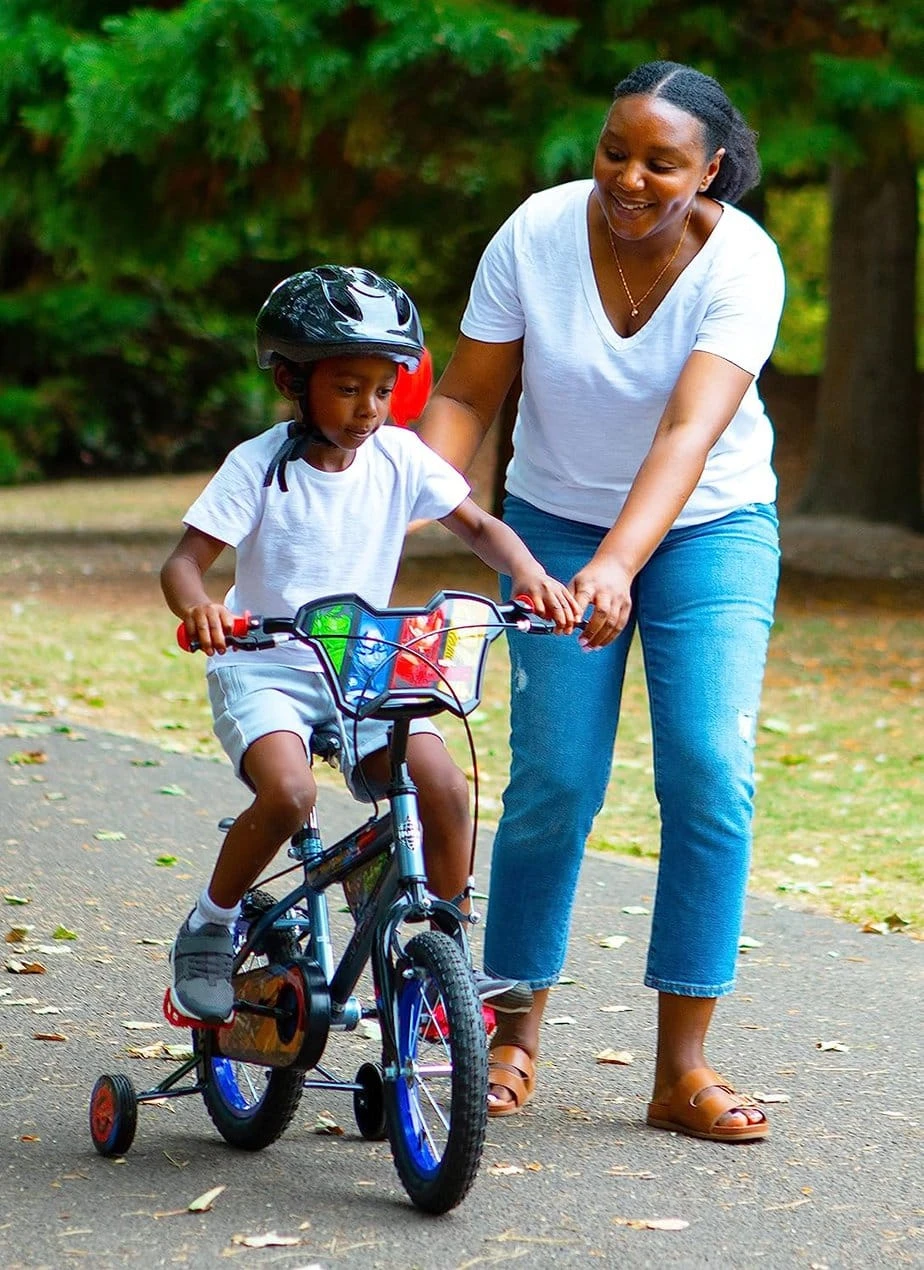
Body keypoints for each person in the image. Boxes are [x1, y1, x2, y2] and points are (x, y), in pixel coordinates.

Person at [415, 62, 785, 1141]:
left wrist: (621, 562)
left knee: (710, 768)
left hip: (709, 528)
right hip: (552, 523)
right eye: (613, 151)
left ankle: (681, 1069)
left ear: (709, 170)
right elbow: (469, 394)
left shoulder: (744, 264)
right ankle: (512, 1033)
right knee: (554, 780)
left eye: (661, 163)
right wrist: (393, 497)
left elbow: (688, 432)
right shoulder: (533, 235)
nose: (630, 178)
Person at [160, 264, 580, 1025]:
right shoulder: (257, 467)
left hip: (359, 669)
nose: (369, 409)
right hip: (268, 667)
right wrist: (202, 612)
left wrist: (531, 578)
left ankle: (445, 951)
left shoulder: (399, 457)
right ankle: (210, 924)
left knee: (445, 788)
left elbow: (480, 527)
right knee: (290, 794)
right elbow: (184, 564)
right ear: (295, 380)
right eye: (349, 388)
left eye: (384, 390)